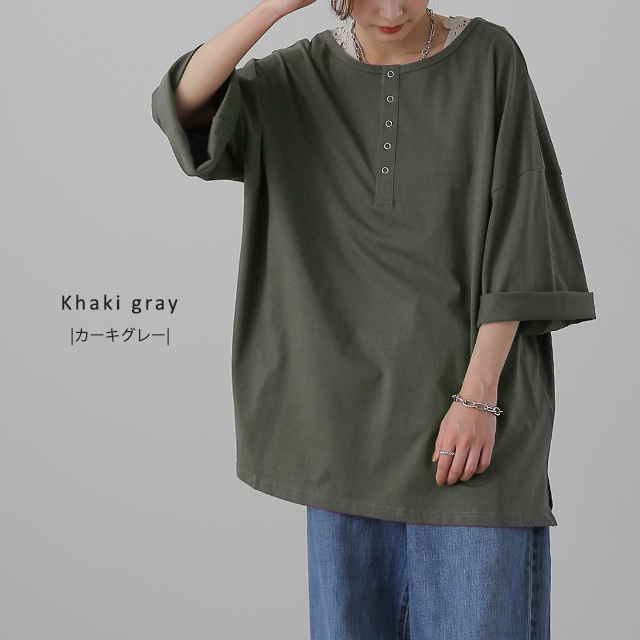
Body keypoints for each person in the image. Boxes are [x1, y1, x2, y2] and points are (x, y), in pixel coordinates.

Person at [151, 1, 596, 637]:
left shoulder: (490, 57)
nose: (390, 11)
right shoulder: (298, 76)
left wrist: (478, 395)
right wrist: (276, 6)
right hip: (344, 434)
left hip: (471, 426)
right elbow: (186, 103)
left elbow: (521, 228)